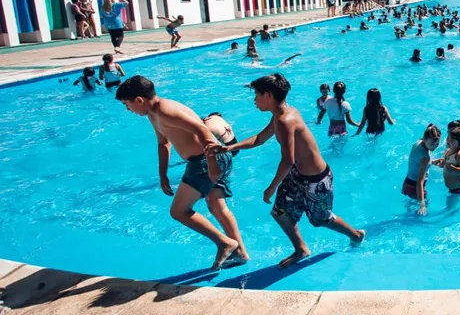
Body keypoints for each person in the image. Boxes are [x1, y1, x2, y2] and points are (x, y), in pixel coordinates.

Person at [214, 73, 364, 268]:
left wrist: (271, 188)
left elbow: (287, 160)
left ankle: (356, 235)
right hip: (298, 174)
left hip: (316, 180)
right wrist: (230, 147)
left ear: (268, 95)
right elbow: (260, 138)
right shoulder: (279, 115)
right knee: (280, 212)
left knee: (321, 219)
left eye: (256, 95)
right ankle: (301, 249)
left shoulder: (286, 120)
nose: (254, 100)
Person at [116, 76, 247, 269]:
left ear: (139, 100)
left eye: (127, 104)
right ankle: (240, 252)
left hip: (206, 160)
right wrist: (163, 174)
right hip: (211, 157)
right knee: (217, 207)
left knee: (178, 211)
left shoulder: (165, 111)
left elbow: (201, 129)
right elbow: (163, 143)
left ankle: (224, 243)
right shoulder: (154, 113)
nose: (128, 109)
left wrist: (211, 163)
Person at [402, 124, 441, 215]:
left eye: (437, 144)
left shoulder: (419, 142)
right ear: (425, 139)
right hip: (415, 188)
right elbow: (420, 181)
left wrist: (432, 162)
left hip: (407, 183)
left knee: (410, 208)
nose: (434, 147)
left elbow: (417, 162)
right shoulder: (425, 157)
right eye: (432, 144)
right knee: (420, 214)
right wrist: (422, 205)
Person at [433, 125, 460, 196]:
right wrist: (440, 163)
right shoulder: (448, 151)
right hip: (453, 189)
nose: (448, 140)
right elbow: (445, 164)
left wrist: (451, 168)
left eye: (451, 139)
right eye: (448, 137)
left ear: (458, 142)